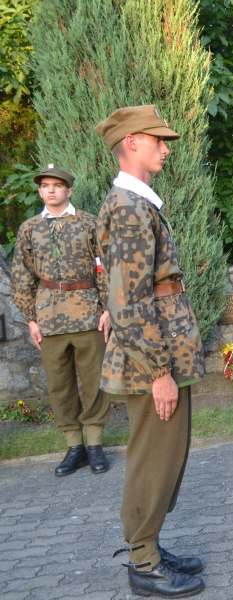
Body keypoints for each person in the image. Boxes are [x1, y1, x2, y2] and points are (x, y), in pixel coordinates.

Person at [94, 105, 206, 597]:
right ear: (132, 142)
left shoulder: (138, 204)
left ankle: (151, 546)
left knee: (165, 454)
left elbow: (118, 287)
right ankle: (143, 561)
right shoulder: (129, 208)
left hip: (158, 352)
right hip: (150, 361)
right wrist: (159, 370)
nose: (165, 147)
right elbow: (131, 300)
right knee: (152, 457)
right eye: (158, 140)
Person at [11, 164, 111, 477]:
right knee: (59, 384)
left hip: (87, 314)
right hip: (48, 316)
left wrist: (107, 308)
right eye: (45, 186)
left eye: (57, 185)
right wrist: (30, 318)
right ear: (40, 191)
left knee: (94, 381)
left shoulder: (90, 223)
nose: (51, 190)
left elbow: (105, 266)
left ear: (69, 190)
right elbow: (22, 275)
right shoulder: (30, 228)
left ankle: (94, 444)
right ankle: (74, 447)